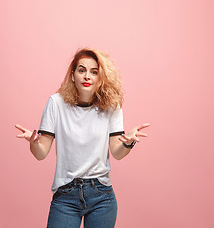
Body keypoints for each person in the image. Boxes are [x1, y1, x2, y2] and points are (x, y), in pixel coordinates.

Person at [15, 48, 150, 228]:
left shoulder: (111, 106)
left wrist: (129, 142)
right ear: (73, 75)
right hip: (66, 195)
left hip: (102, 195)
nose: (87, 76)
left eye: (94, 72)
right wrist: (34, 143)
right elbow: (40, 154)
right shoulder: (56, 103)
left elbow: (117, 153)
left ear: (100, 77)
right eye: (82, 70)